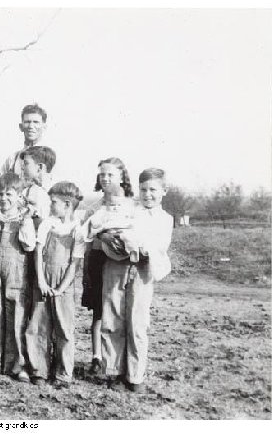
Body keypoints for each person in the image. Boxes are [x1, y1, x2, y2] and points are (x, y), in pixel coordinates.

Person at [99, 168, 173, 393]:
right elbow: (106, 224)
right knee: (112, 317)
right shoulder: (129, 208)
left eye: (153, 190)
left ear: (164, 191)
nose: (148, 194)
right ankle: (113, 371)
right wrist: (107, 235)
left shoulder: (165, 219)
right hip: (117, 265)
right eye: (143, 189)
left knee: (137, 322)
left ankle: (135, 375)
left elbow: (159, 246)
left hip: (142, 270)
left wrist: (140, 246)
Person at [0, 172, 36, 382]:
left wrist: (25, 222)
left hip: (16, 269)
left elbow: (29, 245)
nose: (3, 198)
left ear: (19, 195)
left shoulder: (24, 218)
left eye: (8, 194)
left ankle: (18, 363)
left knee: (17, 312)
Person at [80, 157, 137, 375]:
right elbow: (86, 236)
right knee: (98, 310)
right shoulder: (94, 206)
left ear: (122, 177)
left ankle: (120, 360)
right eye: (102, 174)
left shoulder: (131, 205)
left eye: (110, 174)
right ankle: (97, 356)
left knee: (119, 309)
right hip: (97, 258)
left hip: (121, 260)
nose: (105, 178)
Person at [25, 182, 85, 387]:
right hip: (43, 279)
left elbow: (75, 263)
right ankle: (39, 370)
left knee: (64, 328)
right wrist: (41, 280)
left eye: (54, 202)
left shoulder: (78, 229)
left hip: (64, 284)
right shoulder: (47, 224)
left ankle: (63, 373)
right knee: (38, 325)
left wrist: (61, 288)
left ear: (67, 204)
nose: (50, 205)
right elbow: (38, 253)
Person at [0, 104, 49, 178]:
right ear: (21, 127)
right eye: (27, 122)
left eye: (36, 122)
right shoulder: (12, 160)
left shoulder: (50, 156)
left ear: (44, 127)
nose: (31, 126)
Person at [20, 145, 56, 228]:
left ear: (40, 167)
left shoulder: (57, 191)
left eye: (26, 163)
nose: (22, 168)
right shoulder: (26, 192)